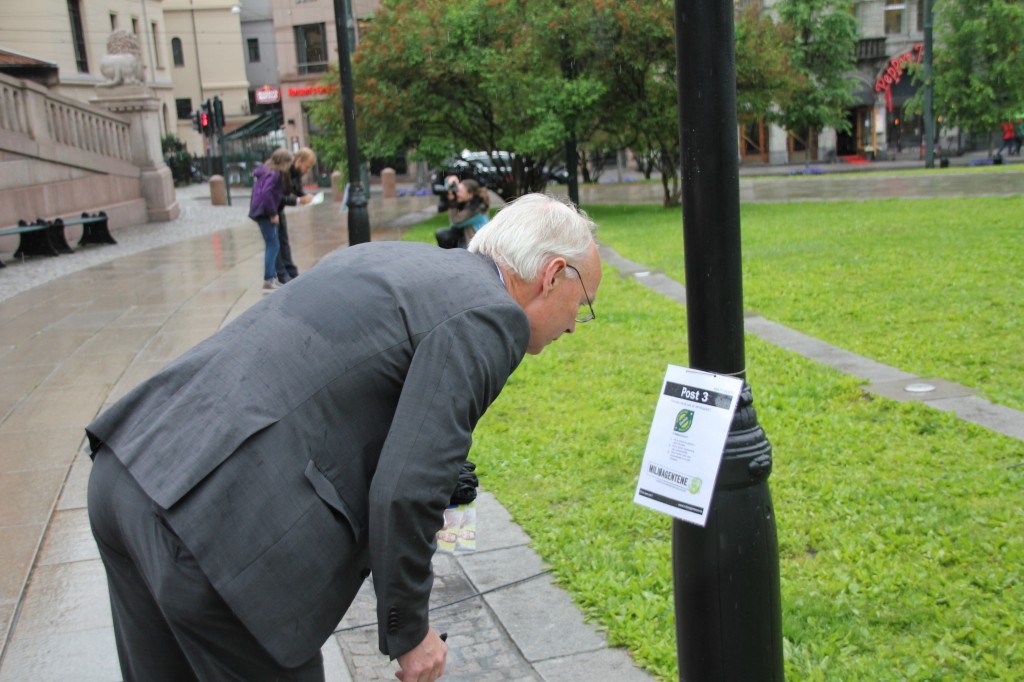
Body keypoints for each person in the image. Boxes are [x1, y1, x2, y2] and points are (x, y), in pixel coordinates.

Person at [85, 193, 601, 681]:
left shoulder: (393, 260)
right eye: (583, 303)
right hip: (213, 533)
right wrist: (410, 629)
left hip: (131, 467)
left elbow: (331, 385)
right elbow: (408, 486)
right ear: (553, 274)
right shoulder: (492, 314)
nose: (576, 326)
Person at [249, 148, 293, 291]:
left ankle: (271, 278)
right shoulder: (274, 174)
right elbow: (267, 193)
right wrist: (273, 213)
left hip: (259, 211)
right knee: (273, 244)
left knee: (272, 243)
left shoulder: (266, 171)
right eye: (288, 164)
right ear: (284, 163)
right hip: (265, 213)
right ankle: (269, 279)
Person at [275, 148, 318, 284]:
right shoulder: (284, 169)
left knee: (283, 241)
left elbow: (296, 188)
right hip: (270, 209)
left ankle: (291, 272)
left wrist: (305, 195)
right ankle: (281, 274)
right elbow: (278, 196)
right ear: (299, 161)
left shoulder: (295, 172)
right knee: (275, 243)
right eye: (307, 166)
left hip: (277, 209)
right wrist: (299, 200)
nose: (307, 171)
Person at [435, 176, 489, 249]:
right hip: (465, 235)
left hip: (476, 243)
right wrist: (451, 180)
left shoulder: (477, 208)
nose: (457, 193)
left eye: (460, 191)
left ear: (470, 194)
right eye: (457, 190)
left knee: (460, 251)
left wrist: (452, 201)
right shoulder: (469, 202)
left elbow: (455, 221)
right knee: (442, 233)